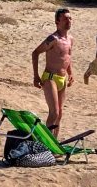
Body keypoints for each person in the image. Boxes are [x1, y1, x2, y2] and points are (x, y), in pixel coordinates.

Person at [31, 7, 75, 136]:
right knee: (54, 112)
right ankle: (46, 144)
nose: (69, 21)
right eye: (65, 19)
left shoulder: (70, 39)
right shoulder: (53, 39)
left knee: (60, 113)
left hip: (63, 78)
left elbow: (67, 57)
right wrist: (36, 76)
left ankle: (54, 143)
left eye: (70, 18)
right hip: (50, 78)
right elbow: (35, 53)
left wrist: (71, 73)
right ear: (57, 22)